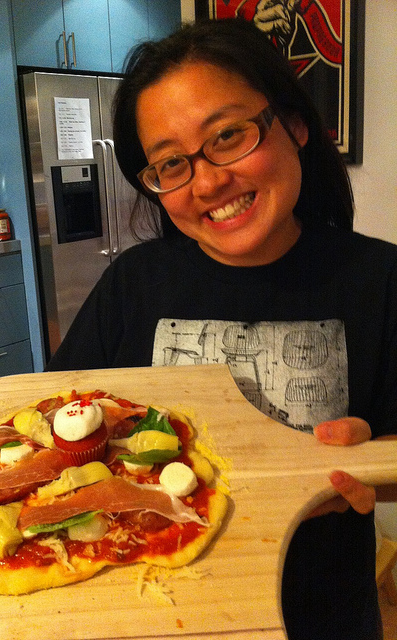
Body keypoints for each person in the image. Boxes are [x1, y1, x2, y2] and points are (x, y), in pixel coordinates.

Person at [46, 17, 397, 640]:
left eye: (229, 135)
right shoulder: (133, 283)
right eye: (171, 163)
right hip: (150, 611)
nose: (207, 182)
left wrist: (372, 463)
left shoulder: (381, 278)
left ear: (295, 125)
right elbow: (62, 432)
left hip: (319, 615)